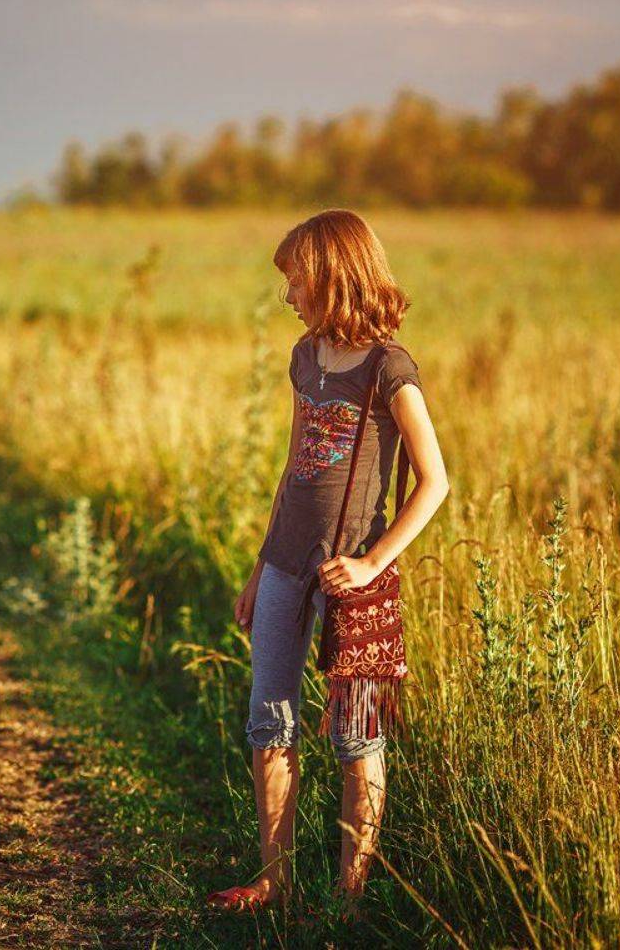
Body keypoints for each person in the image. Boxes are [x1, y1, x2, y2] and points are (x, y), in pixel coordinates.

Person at [208, 209, 449, 915]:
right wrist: (260, 567)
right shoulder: (305, 356)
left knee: (357, 736)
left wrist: (374, 563)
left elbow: (435, 481)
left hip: (356, 583)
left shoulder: (389, 367)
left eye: (298, 281)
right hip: (287, 564)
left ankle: (350, 898)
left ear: (335, 275)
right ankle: (274, 883)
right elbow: (292, 470)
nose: (289, 297)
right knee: (268, 724)